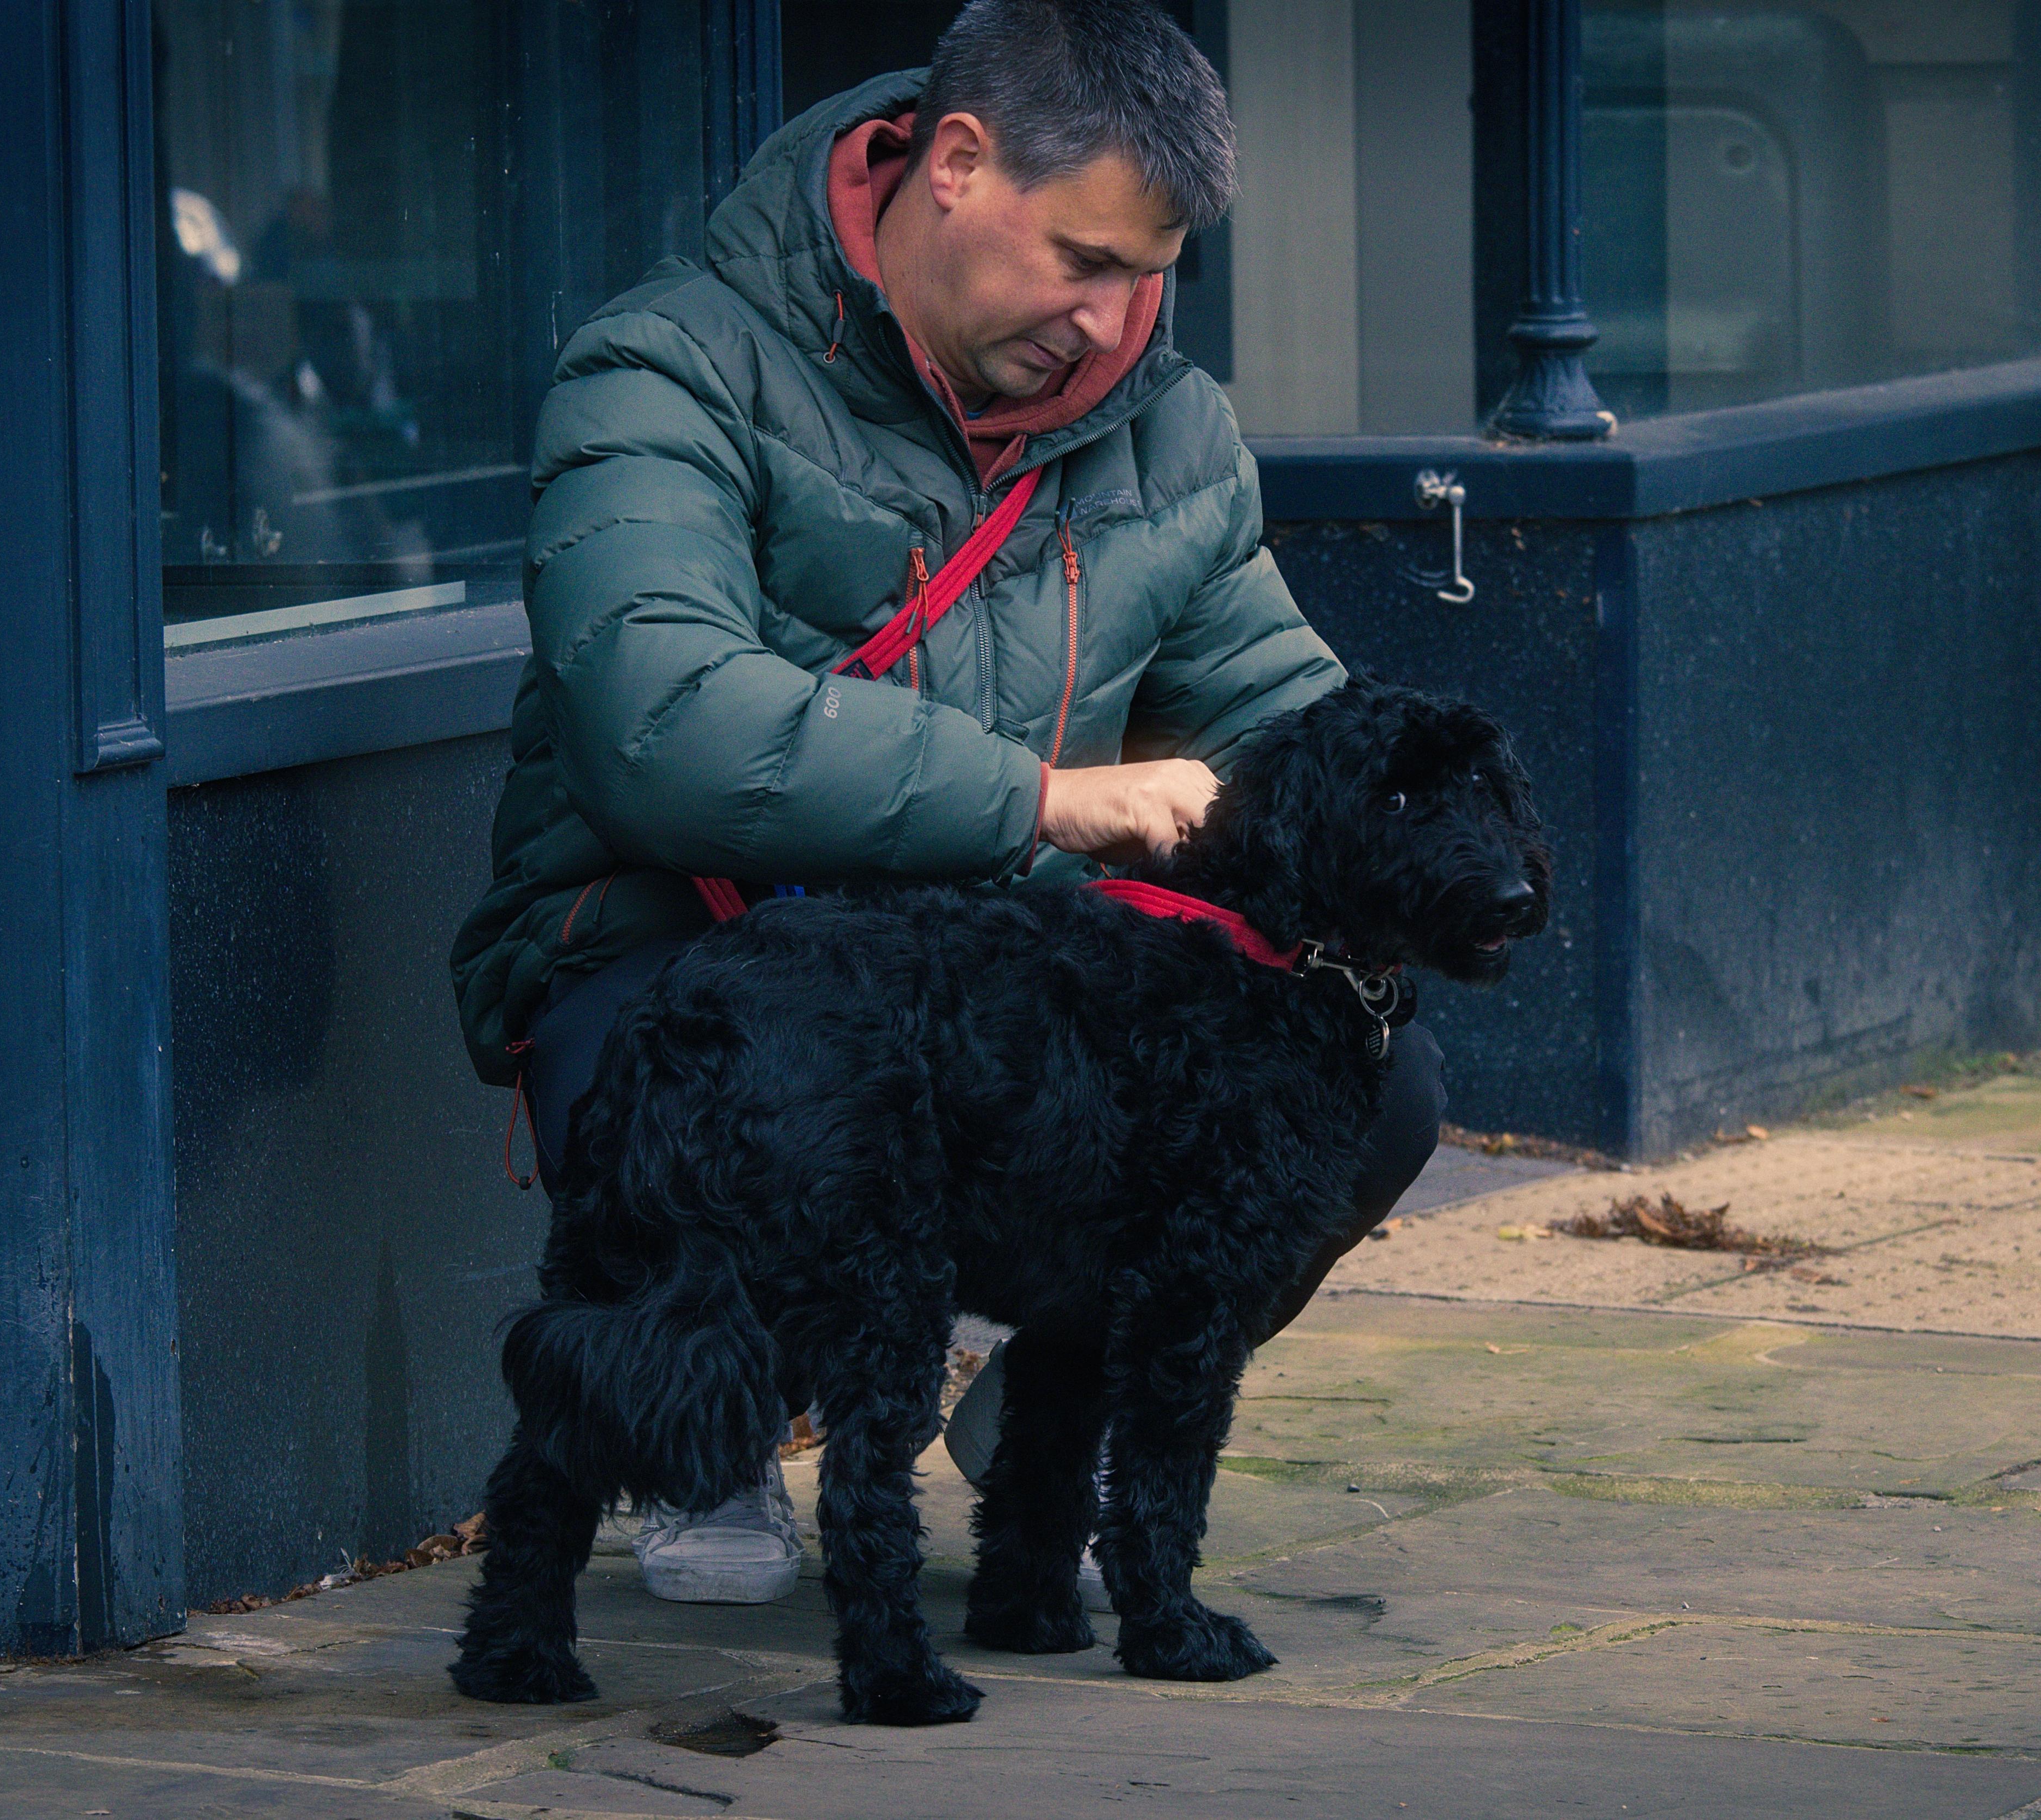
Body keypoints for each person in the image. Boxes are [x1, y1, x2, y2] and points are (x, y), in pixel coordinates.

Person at [449, 0, 1444, 1612]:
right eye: (1083, 259)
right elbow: (662, 729)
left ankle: (1057, 1418)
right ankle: (718, 1426)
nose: (1114, 318)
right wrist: (1045, 800)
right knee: (776, 1101)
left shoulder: (1168, 427)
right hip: (673, 951)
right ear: (959, 166)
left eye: (1148, 272)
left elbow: (1284, 723)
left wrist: (1416, 832)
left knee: (1363, 1080)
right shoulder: (664, 367)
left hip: (1001, 980)